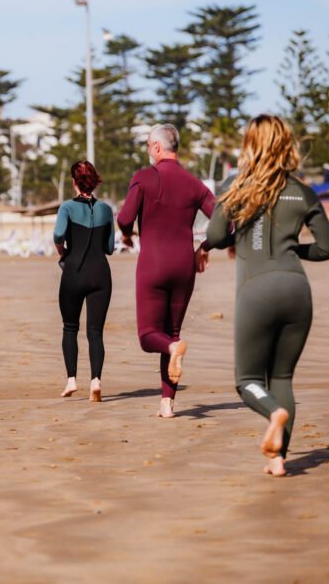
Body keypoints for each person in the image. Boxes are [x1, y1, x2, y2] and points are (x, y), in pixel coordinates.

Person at [204, 114, 329, 477]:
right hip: (297, 289)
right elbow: (328, 248)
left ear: (250, 144)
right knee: (282, 379)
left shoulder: (235, 185)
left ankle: (273, 414)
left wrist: (235, 235)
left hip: (256, 292)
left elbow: (215, 236)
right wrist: (292, 251)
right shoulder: (302, 191)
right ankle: (278, 458)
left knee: (248, 380)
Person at [116, 124, 215, 418]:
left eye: (149, 145)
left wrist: (127, 234)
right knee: (172, 332)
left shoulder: (143, 177)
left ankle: (173, 350)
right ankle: (167, 403)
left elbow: (124, 218)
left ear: (158, 147)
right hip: (184, 266)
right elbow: (228, 224)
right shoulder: (195, 184)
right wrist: (205, 247)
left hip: (153, 264)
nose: (148, 150)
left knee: (150, 335)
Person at [53, 161, 115, 401]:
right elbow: (109, 247)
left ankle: (71, 380)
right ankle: (96, 381)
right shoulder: (106, 209)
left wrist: (62, 252)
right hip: (101, 274)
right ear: (94, 181)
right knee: (95, 331)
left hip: (74, 272)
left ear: (73, 182)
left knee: (70, 328)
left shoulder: (67, 207)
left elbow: (58, 234)